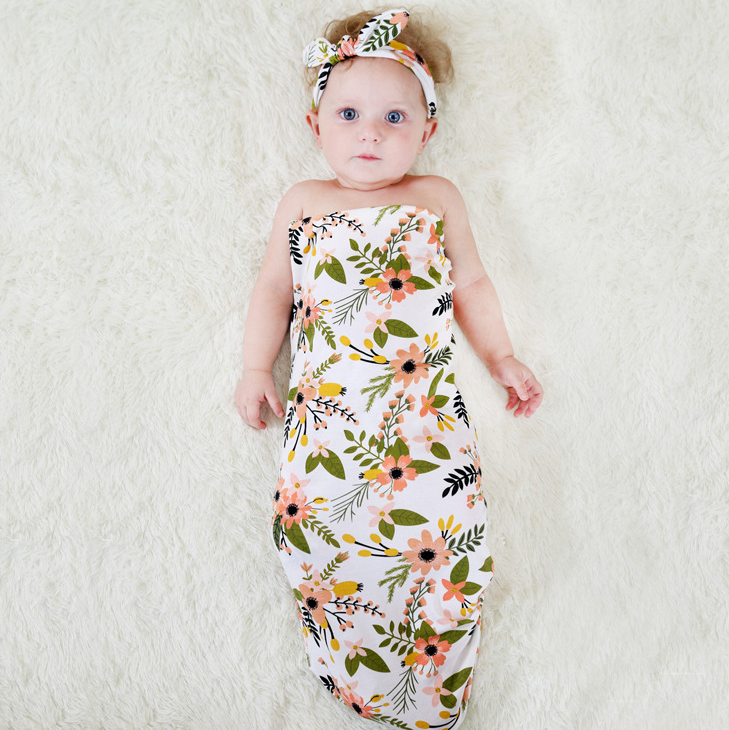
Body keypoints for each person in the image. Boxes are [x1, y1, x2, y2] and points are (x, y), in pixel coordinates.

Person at [235, 8, 543, 728]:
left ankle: (432, 684)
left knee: (441, 536)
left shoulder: (435, 197)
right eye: (348, 114)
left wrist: (500, 354)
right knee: (320, 529)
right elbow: (274, 289)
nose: (369, 133)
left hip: (421, 424)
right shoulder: (303, 203)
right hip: (329, 427)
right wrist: (254, 368)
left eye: (393, 117)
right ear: (315, 127)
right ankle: (357, 667)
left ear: (426, 131)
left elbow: (470, 282)